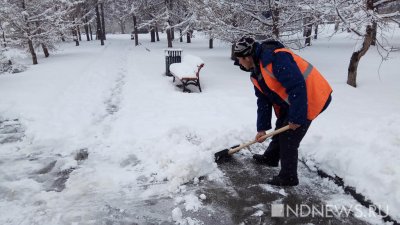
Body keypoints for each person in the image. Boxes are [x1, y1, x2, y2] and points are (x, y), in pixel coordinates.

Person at [233, 36, 332, 186]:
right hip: (295, 100)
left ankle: (288, 177)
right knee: (282, 126)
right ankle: (271, 158)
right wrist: (262, 128)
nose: (238, 63)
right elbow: (263, 101)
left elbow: (297, 86)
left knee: (289, 137)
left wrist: (297, 118)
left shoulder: (277, 58)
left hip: (313, 96)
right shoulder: (256, 72)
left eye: (239, 59)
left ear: (247, 57)